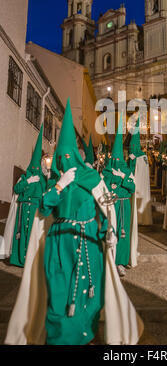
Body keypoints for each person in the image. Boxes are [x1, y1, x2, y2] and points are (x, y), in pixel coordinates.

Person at [5, 99, 144, 345]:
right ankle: (61, 337)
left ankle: (86, 334)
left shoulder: (91, 177)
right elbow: (44, 206)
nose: (64, 160)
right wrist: (60, 184)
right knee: (59, 294)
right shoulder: (56, 181)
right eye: (61, 157)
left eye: (68, 156)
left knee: (90, 293)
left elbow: (105, 209)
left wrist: (108, 231)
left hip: (89, 241)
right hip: (60, 244)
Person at [0, 125, 46, 267]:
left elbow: (45, 192)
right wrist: (28, 181)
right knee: (22, 233)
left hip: (35, 209)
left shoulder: (43, 179)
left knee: (32, 234)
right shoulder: (26, 177)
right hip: (24, 208)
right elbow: (17, 188)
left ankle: (30, 260)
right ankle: (18, 259)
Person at [102, 114, 136, 277]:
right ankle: (110, 260)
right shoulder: (107, 171)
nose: (116, 161)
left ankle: (121, 262)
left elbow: (132, 187)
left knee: (123, 233)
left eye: (118, 158)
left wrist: (122, 178)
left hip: (124, 205)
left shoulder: (126, 170)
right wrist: (113, 182)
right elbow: (105, 187)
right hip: (111, 204)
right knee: (111, 231)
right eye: (113, 158)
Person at [128, 117, 152, 229]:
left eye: (134, 146)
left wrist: (136, 160)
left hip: (140, 185)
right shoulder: (134, 156)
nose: (132, 149)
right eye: (130, 147)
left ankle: (141, 216)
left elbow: (143, 170)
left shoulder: (143, 157)